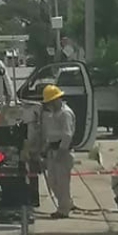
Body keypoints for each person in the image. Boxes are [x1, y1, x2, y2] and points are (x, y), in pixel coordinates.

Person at [39, 84, 76, 218]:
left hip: (62, 151)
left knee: (62, 183)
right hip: (52, 151)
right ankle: (67, 203)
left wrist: (61, 152)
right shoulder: (53, 114)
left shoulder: (65, 113)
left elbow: (67, 135)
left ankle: (63, 209)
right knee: (52, 182)